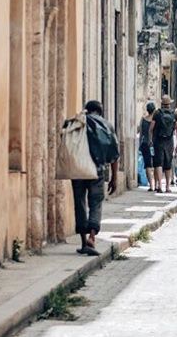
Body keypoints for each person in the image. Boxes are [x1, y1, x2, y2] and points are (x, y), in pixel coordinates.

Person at [72, 100, 119, 256]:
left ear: (86, 110)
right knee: (96, 203)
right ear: (100, 111)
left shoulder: (79, 123)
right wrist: (114, 177)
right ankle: (92, 237)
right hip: (97, 170)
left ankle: (83, 241)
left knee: (79, 203)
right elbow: (114, 154)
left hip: (78, 169)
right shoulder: (106, 125)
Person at [150, 94, 177, 194]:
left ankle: (159, 186)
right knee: (168, 164)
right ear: (169, 104)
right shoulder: (174, 114)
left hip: (158, 140)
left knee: (158, 163)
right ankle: (168, 187)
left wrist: (151, 139)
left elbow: (151, 128)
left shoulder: (157, 113)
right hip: (169, 141)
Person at [138, 101, 156, 191]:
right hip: (155, 144)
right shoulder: (156, 120)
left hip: (145, 143)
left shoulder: (143, 119)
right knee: (157, 164)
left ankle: (151, 186)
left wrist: (139, 144)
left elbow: (141, 133)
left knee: (147, 165)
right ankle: (156, 185)